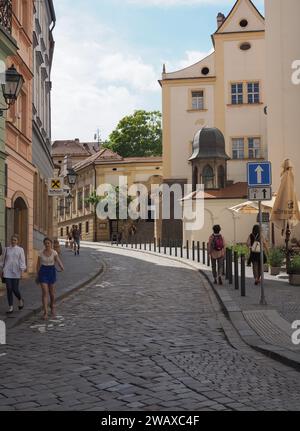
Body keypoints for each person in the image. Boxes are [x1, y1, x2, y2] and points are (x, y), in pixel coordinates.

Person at [36, 238, 64, 320]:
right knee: (45, 292)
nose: (47, 245)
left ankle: (52, 306)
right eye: (46, 243)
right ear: (44, 244)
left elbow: (58, 260)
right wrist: (38, 274)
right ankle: (45, 312)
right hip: (43, 272)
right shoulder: (40, 252)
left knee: (51, 293)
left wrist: (61, 266)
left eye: (48, 243)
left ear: (51, 244)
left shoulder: (54, 252)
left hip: (51, 271)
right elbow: (38, 265)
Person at [0, 235, 26, 314]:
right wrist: (1, 270)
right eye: (12, 240)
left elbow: (22, 261)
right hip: (7, 271)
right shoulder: (6, 249)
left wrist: (22, 271)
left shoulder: (20, 250)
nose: (13, 241)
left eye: (15, 240)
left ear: (17, 241)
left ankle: (20, 299)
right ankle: (10, 307)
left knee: (15, 289)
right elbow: (2, 260)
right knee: (9, 289)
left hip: (16, 272)